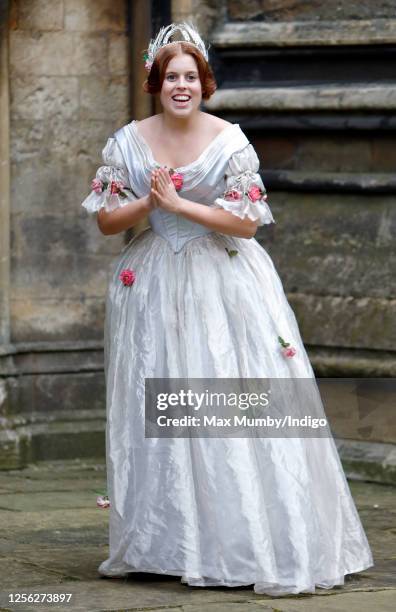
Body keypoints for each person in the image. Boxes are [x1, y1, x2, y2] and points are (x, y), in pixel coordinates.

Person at [81, 22, 373, 597]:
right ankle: (165, 541)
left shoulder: (231, 140)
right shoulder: (127, 141)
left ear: (204, 81)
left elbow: (245, 222)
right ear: (156, 82)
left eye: (190, 76)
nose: (181, 85)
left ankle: (242, 539)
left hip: (224, 279)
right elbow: (106, 220)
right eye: (171, 77)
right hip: (155, 282)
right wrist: (152, 200)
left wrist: (182, 206)